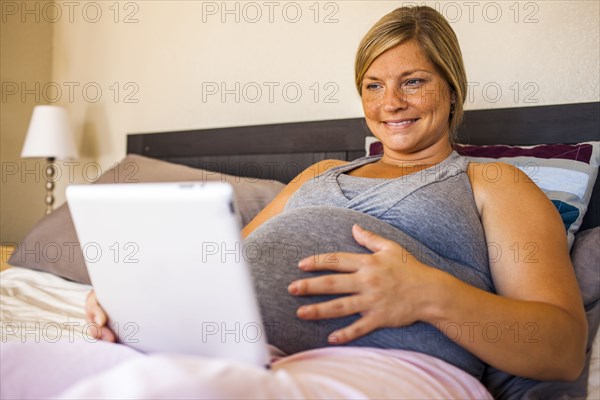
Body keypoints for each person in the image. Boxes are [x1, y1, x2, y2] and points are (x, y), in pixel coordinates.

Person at [86, 4, 586, 387]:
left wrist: (430, 296)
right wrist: (134, 295)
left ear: (452, 90)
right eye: (373, 86)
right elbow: (222, 265)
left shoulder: (492, 182)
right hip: (237, 351)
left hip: (385, 371)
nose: (390, 103)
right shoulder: (321, 172)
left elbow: (562, 350)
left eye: (413, 82)